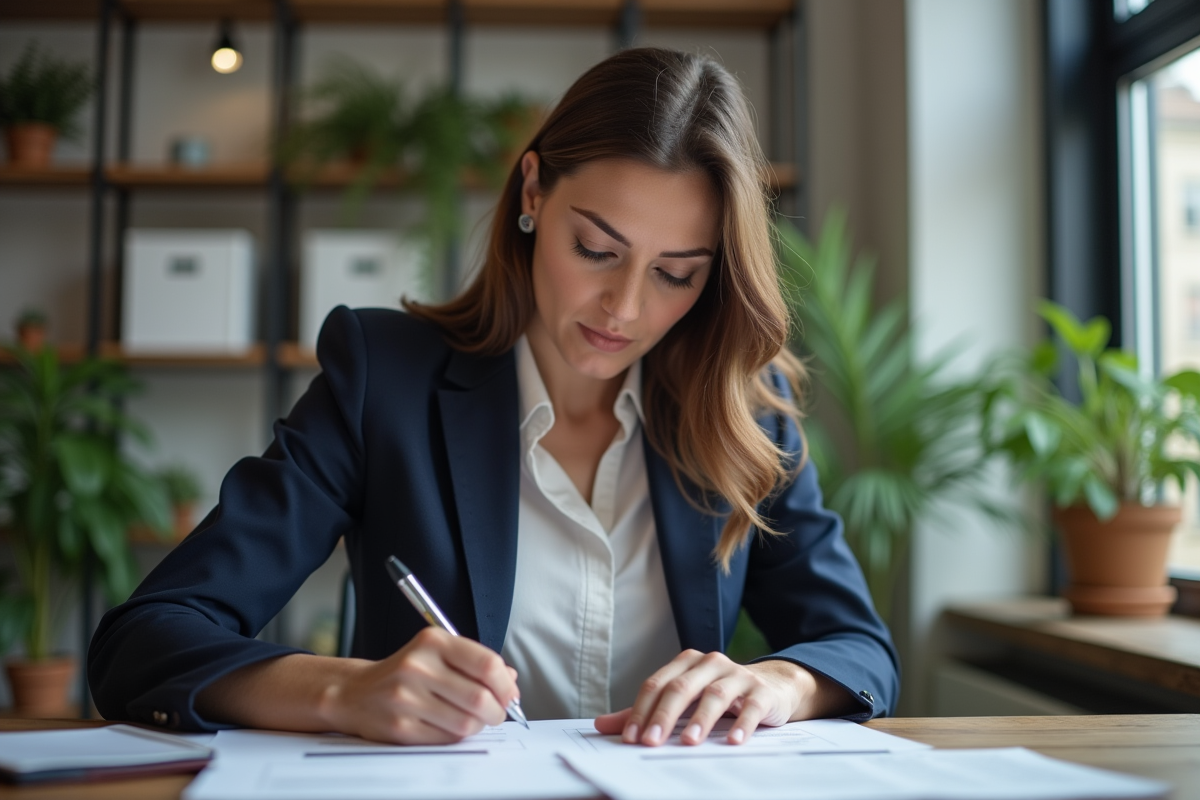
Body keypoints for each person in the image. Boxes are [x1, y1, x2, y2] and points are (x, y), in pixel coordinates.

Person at [88, 47, 898, 747]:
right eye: (596, 249)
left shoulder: (746, 410)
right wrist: (341, 693)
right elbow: (144, 641)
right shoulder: (383, 378)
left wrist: (781, 686)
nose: (623, 307)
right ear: (533, 192)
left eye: (675, 273)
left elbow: (857, 647)